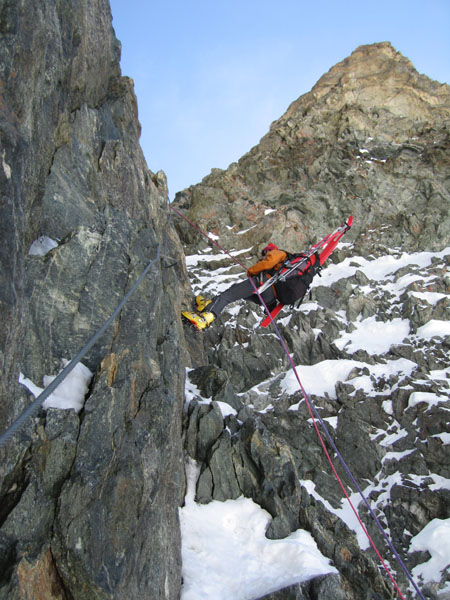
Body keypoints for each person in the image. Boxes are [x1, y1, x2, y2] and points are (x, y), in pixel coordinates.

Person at [182, 243, 288, 330]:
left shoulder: (277, 253)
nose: (262, 256)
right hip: (269, 295)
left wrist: (251, 272)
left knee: (229, 295)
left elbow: (267, 263)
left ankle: (204, 319)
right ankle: (209, 306)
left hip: (263, 282)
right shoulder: (285, 266)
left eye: (264, 253)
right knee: (236, 291)